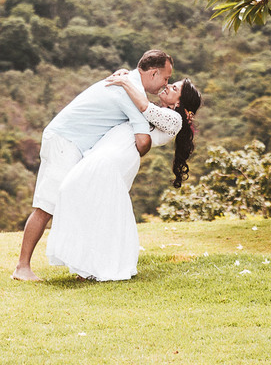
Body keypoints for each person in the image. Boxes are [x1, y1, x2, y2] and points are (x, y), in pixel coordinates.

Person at [11, 50, 173, 281]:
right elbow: (143, 141)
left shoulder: (127, 83)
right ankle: (22, 267)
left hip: (73, 143)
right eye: (166, 78)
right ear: (154, 73)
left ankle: (84, 268)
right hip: (65, 141)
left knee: (81, 202)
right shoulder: (129, 90)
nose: (166, 84)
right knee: (47, 205)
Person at [45, 72, 201, 281]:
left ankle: (93, 267)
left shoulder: (174, 120)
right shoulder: (163, 112)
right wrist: (127, 77)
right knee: (89, 203)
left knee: (78, 194)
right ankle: (88, 266)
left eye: (174, 88)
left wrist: (126, 81)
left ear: (180, 103)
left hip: (114, 157)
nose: (168, 86)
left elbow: (144, 106)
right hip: (109, 153)